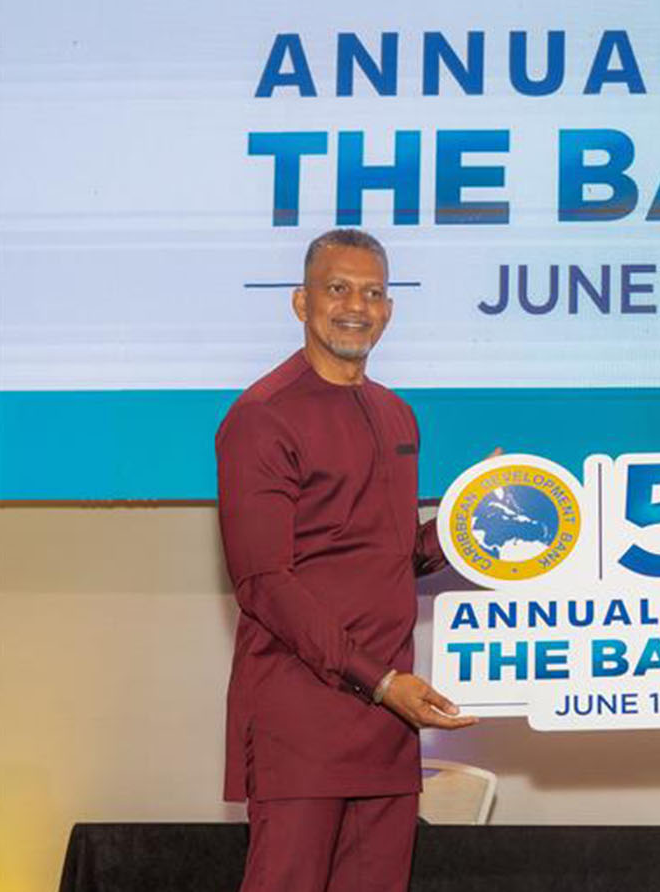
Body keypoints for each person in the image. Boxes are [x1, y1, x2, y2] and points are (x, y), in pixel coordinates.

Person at [216, 229, 476, 892]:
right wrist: (382, 680)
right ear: (302, 303)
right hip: (302, 723)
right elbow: (264, 585)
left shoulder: (396, 415)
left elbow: (391, 558)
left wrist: (469, 519)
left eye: (372, 292)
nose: (355, 305)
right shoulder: (261, 419)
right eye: (337, 289)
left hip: (387, 727)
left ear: (389, 310)